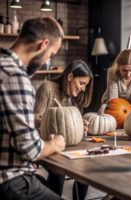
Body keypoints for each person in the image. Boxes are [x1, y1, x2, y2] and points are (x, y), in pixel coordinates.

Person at [0, 17, 66, 200]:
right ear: (43, 44)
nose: (47, 61)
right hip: (11, 181)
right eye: (51, 55)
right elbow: (30, 150)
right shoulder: (15, 76)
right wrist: (55, 143)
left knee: (45, 185)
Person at [34, 59, 94, 200]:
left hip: (64, 145)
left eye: (85, 85)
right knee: (58, 172)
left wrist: (78, 124)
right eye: (82, 83)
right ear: (70, 77)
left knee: (84, 169)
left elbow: (69, 126)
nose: (83, 89)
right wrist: (56, 122)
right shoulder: (47, 88)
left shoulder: (71, 98)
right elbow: (35, 118)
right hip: (46, 144)